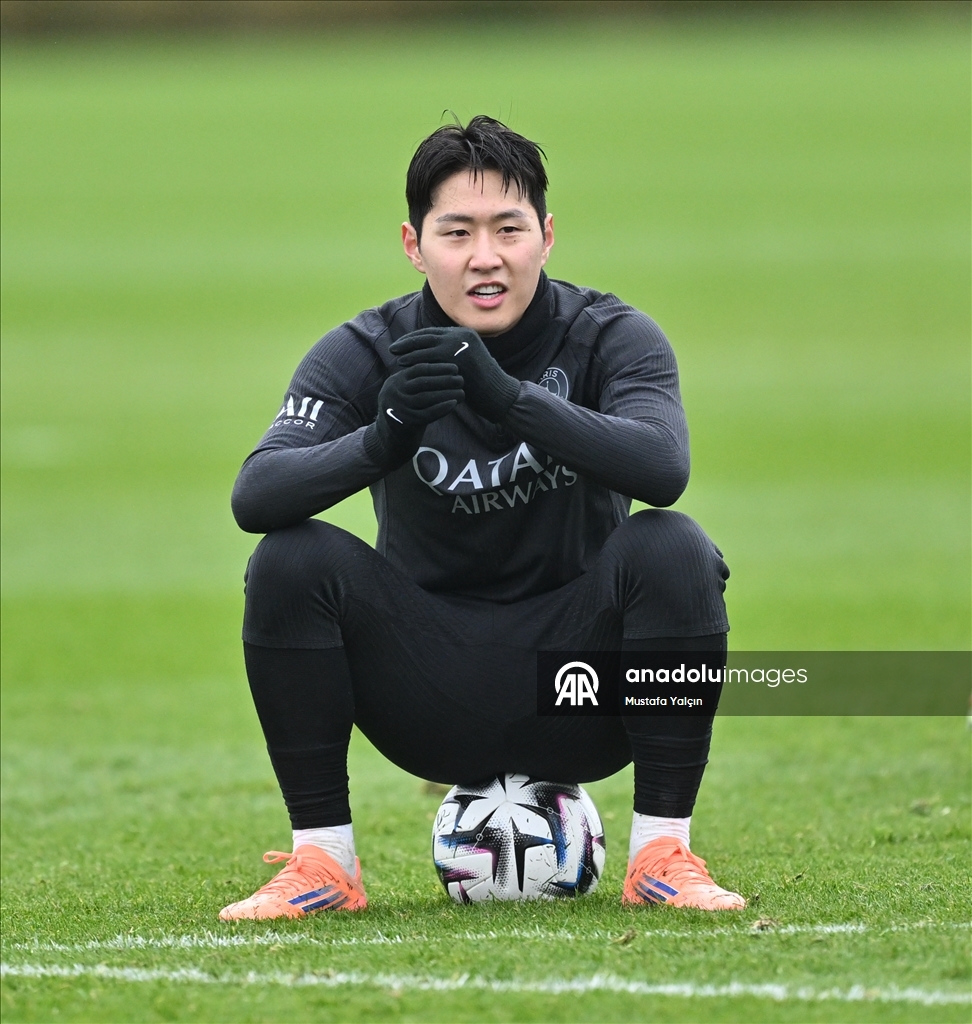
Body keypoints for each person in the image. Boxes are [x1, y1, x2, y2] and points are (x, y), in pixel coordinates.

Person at [220, 115, 745, 920]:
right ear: (414, 244)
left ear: (547, 236)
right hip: (427, 687)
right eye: (457, 232)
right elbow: (255, 495)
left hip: (584, 688)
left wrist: (510, 398)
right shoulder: (369, 350)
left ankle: (661, 855)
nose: (485, 256)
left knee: (672, 546)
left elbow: (663, 468)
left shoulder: (612, 336)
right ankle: (322, 862)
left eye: (509, 228)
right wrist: (382, 438)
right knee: (289, 559)